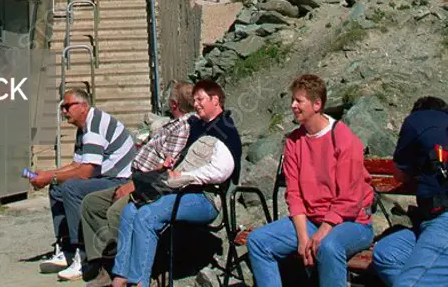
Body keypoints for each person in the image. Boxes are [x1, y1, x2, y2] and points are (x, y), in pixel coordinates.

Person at [110, 79, 242, 287]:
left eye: (201, 99)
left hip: (206, 197)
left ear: (215, 100)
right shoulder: (197, 125)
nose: (196, 104)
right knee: (130, 211)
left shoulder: (225, 130)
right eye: (195, 99)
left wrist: (185, 176)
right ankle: (121, 277)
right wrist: (171, 164)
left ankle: (139, 282)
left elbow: (221, 171)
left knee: (146, 215)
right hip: (179, 190)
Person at [247, 73, 374, 287]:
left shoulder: (343, 138)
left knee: (328, 247)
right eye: (293, 100)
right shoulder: (294, 142)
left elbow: (349, 201)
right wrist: (303, 237)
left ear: (317, 104)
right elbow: (294, 194)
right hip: (312, 221)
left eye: (299, 101)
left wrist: (322, 233)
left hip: (352, 223)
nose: (293, 106)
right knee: (258, 242)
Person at [79, 81, 196, 286]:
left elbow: (167, 168)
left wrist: (134, 185)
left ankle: (127, 268)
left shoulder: (184, 128)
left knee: (117, 211)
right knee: (92, 203)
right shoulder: (172, 124)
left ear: (173, 103)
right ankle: (105, 263)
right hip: (137, 179)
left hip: (150, 186)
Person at [33, 88, 136, 280]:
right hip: (106, 175)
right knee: (57, 188)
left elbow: (86, 172)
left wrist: (49, 176)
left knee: (71, 188)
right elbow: (76, 165)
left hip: (121, 180)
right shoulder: (84, 127)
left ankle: (83, 255)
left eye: (67, 106)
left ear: (83, 106)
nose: (64, 111)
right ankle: (67, 249)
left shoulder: (94, 125)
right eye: (62, 107)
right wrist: (49, 175)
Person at [372, 95, 448, 286]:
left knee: (408, 283)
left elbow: (400, 173)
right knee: (386, 254)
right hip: (428, 222)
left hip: (443, 220)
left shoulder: (416, 121)